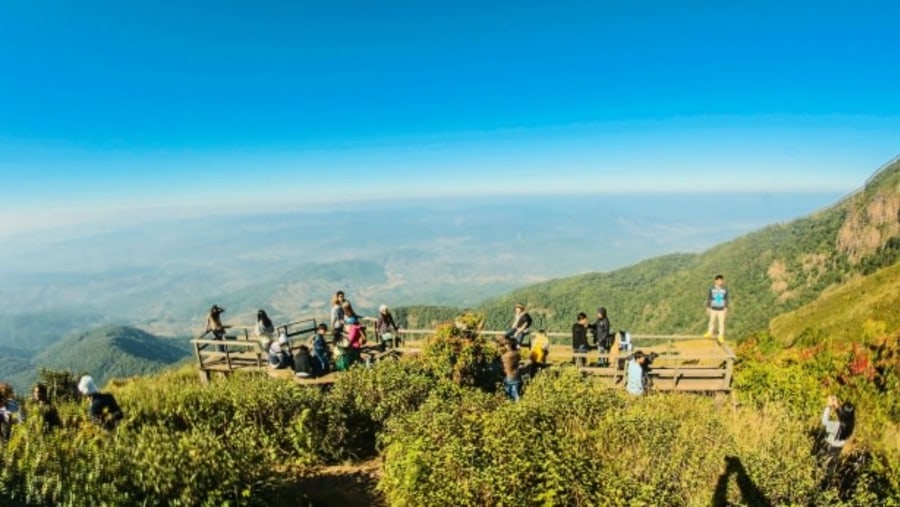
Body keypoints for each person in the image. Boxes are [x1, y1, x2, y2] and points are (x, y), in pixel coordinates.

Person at [822, 395, 856, 478]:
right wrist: (836, 405)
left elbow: (824, 422)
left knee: (822, 465)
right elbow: (843, 417)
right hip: (838, 448)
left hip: (829, 446)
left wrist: (828, 406)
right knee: (830, 468)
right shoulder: (850, 424)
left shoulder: (837, 426)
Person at [704, 275, 729, 344]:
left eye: (721, 280)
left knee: (721, 323)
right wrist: (708, 307)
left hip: (721, 309)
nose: (720, 282)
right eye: (718, 280)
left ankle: (720, 335)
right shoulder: (711, 289)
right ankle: (709, 332)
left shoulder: (725, 289)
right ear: (715, 281)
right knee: (711, 321)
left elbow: (726, 299)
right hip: (713, 308)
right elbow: (709, 298)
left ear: (722, 281)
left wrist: (726, 308)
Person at [501, 336, 521, 402]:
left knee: (508, 394)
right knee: (516, 393)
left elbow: (503, 364)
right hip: (517, 375)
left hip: (509, 376)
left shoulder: (505, 356)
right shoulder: (517, 354)